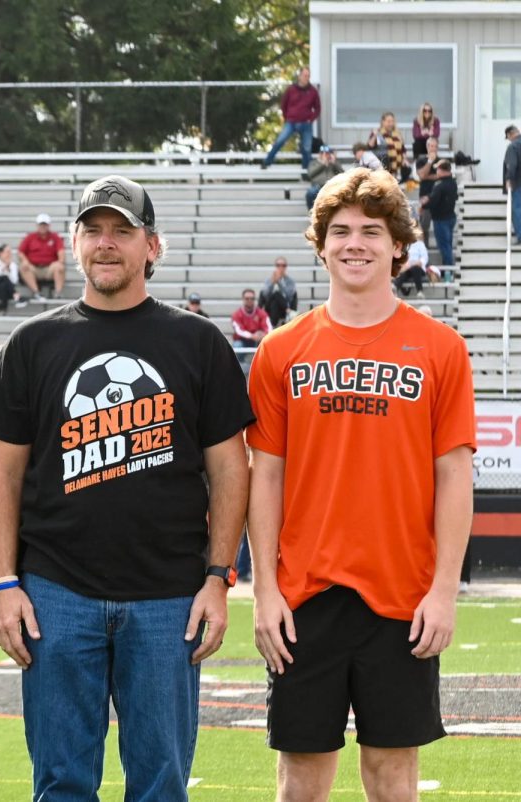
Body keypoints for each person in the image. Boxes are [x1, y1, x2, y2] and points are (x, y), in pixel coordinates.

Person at [0, 175, 252, 801]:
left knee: (160, 786)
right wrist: (3, 583)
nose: (107, 244)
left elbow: (230, 469)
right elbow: (3, 472)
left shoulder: (197, 341)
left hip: (169, 597)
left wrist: (219, 577)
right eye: (94, 230)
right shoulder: (33, 342)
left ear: (151, 247)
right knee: (61, 784)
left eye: (122, 232)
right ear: (74, 243)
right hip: (55, 593)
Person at [246, 167, 475, 802]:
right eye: (340, 230)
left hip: (402, 598)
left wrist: (444, 591)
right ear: (319, 245)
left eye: (371, 231)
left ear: (398, 245)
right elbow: (265, 475)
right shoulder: (281, 350)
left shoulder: (440, 348)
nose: (356, 243)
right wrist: (264, 590)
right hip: (303, 595)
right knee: (301, 779)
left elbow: (454, 474)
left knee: (393, 773)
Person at [261, 68, 321, 172]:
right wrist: (286, 117)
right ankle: (267, 162)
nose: (306, 78)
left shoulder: (313, 91)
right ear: (299, 76)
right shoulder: (291, 89)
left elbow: (318, 108)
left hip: (306, 124)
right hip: (291, 122)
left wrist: (310, 119)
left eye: (308, 76)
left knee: (307, 148)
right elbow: (283, 104)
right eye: (305, 75)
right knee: (279, 141)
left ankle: (305, 171)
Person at [17, 213, 66, 300]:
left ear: (49, 225)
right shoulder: (30, 237)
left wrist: (60, 261)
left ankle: (58, 293)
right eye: (41, 224)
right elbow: (21, 252)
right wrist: (25, 261)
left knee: (59, 267)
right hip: (34, 268)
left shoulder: (55, 237)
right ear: (37, 225)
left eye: (45, 224)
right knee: (23, 266)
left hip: (49, 268)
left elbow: (61, 251)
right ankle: (37, 292)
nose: (43, 227)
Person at [423, 159, 457, 272]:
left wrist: (424, 204)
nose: (436, 170)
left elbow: (433, 202)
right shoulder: (453, 183)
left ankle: (448, 270)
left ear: (442, 170)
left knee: (444, 246)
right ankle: (448, 268)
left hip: (441, 219)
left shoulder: (440, 185)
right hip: (450, 217)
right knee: (448, 244)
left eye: (438, 168)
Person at [368, 112, 409, 183]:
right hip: (383, 168)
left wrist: (405, 159)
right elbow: (370, 146)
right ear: (383, 122)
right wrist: (374, 135)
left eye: (392, 121)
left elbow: (403, 149)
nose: (391, 124)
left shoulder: (397, 133)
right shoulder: (377, 132)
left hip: (396, 169)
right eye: (388, 121)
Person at [415, 137, 441, 247]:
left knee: (439, 226)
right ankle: (424, 250)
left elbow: (441, 176)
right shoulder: (421, 160)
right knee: (424, 227)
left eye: (435, 146)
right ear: (427, 147)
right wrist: (430, 161)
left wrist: (427, 176)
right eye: (431, 146)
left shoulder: (441, 161)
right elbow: (421, 175)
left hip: (438, 199)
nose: (433, 148)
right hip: (425, 198)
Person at [394, 223, 433, 297]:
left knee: (415, 268)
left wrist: (414, 263)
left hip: (418, 267)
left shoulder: (420, 244)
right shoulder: (404, 245)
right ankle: (395, 288)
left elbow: (424, 257)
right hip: (407, 268)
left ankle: (420, 291)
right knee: (403, 272)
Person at [258, 258, 298, 328]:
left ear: (286, 267)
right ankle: (289, 311)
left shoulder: (290, 281)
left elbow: (289, 296)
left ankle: (273, 325)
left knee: (276, 299)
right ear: (275, 266)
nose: (281, 268)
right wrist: (272, 283)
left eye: (283, 265)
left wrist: (279, 282)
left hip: (283, 308)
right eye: (278, 265)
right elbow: (264, 295)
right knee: (275, 295)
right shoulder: (269, 280)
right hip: (269, 308)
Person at [305, 145, 342, 210]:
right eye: (323, 153)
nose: (325, 155)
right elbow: (310, 175)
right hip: (318, 186)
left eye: (328, 153)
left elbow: (343, 174)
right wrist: (323, 164)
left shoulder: (334, 163)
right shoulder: (313, 163)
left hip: (331, 186)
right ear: (320, 154)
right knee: (310, 192)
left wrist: (334, 163)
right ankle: (311, 213)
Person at [504, 125, 521, 246]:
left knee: (516, 209)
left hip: (518, 183)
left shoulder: (513, 146)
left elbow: (512, 164)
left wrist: (509, 178)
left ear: (510, 134)